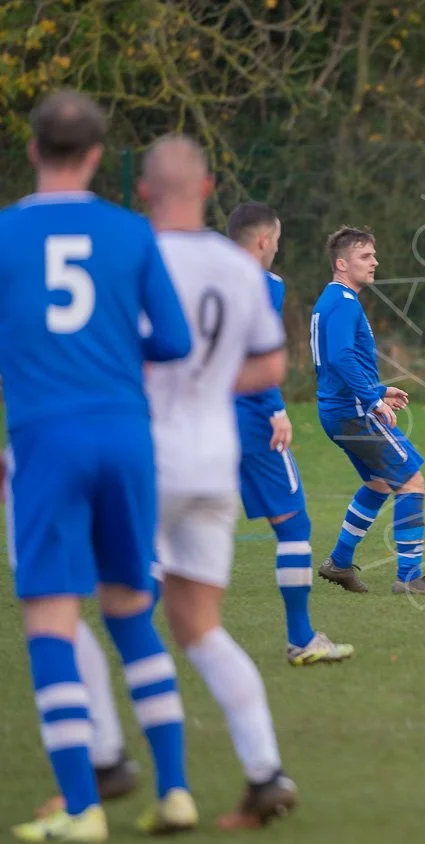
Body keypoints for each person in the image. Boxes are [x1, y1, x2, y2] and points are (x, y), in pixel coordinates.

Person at [0, 90, 195, 842]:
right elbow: (173, 341)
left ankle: (82, 810)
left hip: (47, 439)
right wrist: (113, 353)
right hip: (125, 434)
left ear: (31, 150)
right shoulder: (129, 232)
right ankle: (175, 792)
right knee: (128, 610)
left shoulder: (7, 236)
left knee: (51, 617)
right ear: (93, 157)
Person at [139, 134, 299, 827]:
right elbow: (270, 368)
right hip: (212, 460)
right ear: (208, 192)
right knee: (199, 626)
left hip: (146, 456)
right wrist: (209, 385)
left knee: (107, 613)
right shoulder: (239, 270)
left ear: (144, 192)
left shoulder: (134, 256)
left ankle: (112, 774)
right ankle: (264, 771)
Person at [226, 201, 354, 665]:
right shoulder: (266, 285)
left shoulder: (194, 276)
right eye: (276, 242)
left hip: (195, 421)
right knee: (294, 526)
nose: (276, 250)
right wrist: (275, 408)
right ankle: (301, 638)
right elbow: (256, 353)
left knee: (169, 532)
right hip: (249, 418)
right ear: (263, 241)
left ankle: (136, 634)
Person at [311, 227, 425, 595]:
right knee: (412, 481)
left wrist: (379, 389)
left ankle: (339, 563)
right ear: (342, 263)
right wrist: (372, 400)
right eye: (365, 256)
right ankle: (409, 578)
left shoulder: (333, 300)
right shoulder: (342, 302)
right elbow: (339, 357)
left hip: (339, 409)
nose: (375, 262)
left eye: (373, 255)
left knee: (379, 482)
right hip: (352, 412)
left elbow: (341, 361)